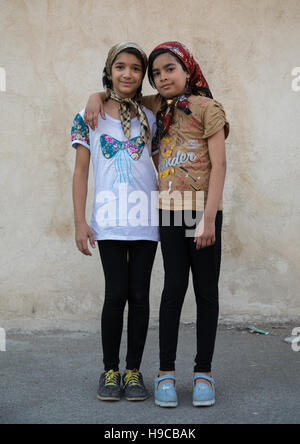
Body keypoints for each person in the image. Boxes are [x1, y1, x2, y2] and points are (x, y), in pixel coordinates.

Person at [84, 41, 230, 408]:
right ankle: (166, 373)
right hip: (168, 212)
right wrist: (93, 95)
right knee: (172, 292)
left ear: (188, 70)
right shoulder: (154, 107)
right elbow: (118, 95)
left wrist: (209, 217)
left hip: (202, 214)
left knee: (206, 293)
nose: (163, 78)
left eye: (170, 70)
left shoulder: (207, 108)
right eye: (157, 73)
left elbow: (221, 165)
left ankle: (203, 373)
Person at [71, 42, 159, 403]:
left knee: (140, 295)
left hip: (146, 218)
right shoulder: (88, 115)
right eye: (120, 66)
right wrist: (80, 221)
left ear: (143, 76)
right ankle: (110, 369)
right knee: (116, 294)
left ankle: (134, 371)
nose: (127, 74)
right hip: (109, 218)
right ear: (109, 70)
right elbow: (80, 173)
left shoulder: (150, 116)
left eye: (136, 68)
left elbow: (162, 164)